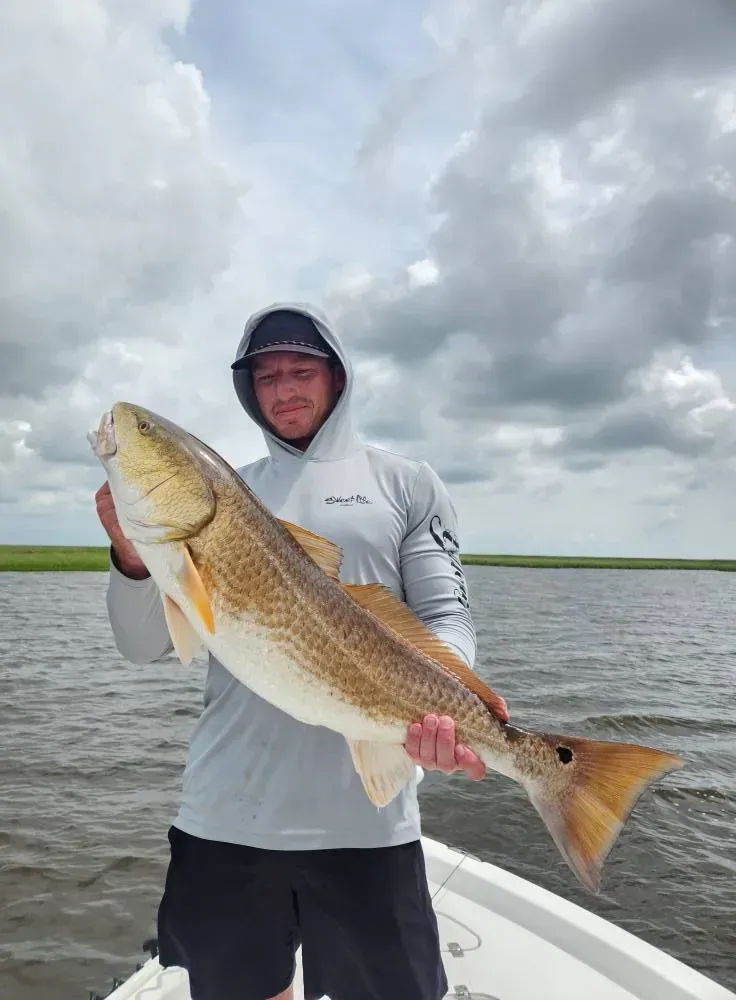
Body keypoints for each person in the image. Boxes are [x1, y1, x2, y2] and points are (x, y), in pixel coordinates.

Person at [95, 302, 508, 1000]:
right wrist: (132, 559)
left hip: (367, 819)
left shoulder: (406, 482)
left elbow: (444, 613)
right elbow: (141, 645)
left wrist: (449, 707)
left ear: (338, 377)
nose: (283, 389)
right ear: (247, 391)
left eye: (300, 370)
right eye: (265, 377)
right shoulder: (231, 490)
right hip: (226, 810)